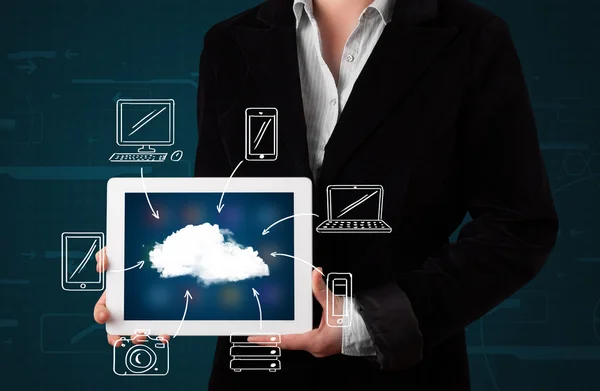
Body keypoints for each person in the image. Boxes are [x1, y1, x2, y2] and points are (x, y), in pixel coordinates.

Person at [94, 0, 559, 389]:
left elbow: (518, 227)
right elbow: (221, 207)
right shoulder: (228, 41)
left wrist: (367, 322)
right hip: (254, 370)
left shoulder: (474, 38)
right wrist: (155, 272)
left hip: (409, 372)